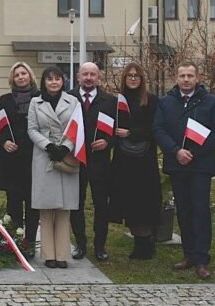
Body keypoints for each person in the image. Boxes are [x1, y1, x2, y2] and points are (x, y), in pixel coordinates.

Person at [154, 61, 215, 280]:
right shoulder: (166, 102)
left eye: (190, 76)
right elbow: (158, 129)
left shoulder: (211, 102)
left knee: (200, 210)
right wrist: (176, 151)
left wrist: (195, 152)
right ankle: (188, 255)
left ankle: (202, 259)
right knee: (183, 210)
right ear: (176, 78)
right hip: (178, 164)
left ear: (197, 78)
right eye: (182, 75)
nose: (186, 79)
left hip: (200, 166)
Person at [27, 66, 80, 268]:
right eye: (50, 79)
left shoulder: (72, 101)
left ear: (63, 81)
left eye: (58, 78)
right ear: (44, 82)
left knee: (64, 209)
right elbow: (31, 129)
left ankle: (62, 255)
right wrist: (47, 145)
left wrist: (65, 147)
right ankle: (49, 255)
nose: (54, 82)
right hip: (44, 157)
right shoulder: (35, 102)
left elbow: (77, 127)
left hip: (66, 156)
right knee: (46, 208)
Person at [108, 62, 162, 259]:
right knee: (128, 201)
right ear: (124, 78)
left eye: (136, 76)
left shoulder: (152, 101)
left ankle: (146, 244)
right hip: (123, 159)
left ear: (141, 79)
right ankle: (137, 242)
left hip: (144, 160)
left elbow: (154, 128)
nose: (132, 78)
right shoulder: (117, 101)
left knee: (144, 202)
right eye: (129, 75)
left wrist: (131, 132)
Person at [68, 62, 117, 261]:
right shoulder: (69, 98)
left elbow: (118, 130)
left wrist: (108, 142)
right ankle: (80, 243)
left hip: (100, 161)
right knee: (76, 204)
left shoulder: (110, 101)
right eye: (85, 74)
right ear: (78, 77)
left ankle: (100, 246)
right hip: (75, 159)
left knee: (101, 205)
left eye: (93, 74)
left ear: (99, 78)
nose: (89, 78)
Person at [0, 62, 41, 252]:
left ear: (30, 76)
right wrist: (3, 142)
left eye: (24, 73)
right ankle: (15, 241)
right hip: (11, 158)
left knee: (32, 203)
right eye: (17, 74)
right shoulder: (5, 100)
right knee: (13, 201)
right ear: (12, 79)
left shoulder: (40, 98)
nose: (21, 77)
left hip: (34, 158)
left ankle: (29, 242)